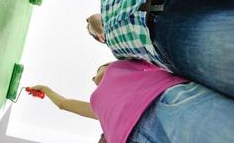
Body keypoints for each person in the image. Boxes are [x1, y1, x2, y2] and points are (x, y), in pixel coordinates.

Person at [36, 0, 234, 98]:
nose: (87, 19)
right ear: (100, 38)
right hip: (176, 40)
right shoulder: (121, 59)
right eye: (88, 27)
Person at [29, 60, 234, 143]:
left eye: (97, 70)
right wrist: (46, 90)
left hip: (162, 102)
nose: (93, 77)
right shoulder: (98, 107)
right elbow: (65, 104)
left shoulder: (125, 64)